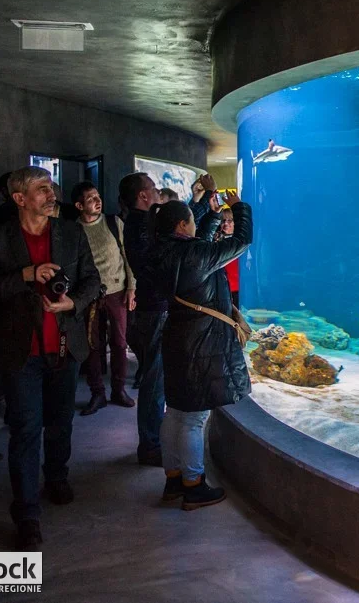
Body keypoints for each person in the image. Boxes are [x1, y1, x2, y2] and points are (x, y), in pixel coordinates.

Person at [0, 166, 100, 549]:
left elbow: (93, 281)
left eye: (51, 188)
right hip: (21, 352)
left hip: (65, 347)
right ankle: (27, 514)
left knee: (61, 421)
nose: (52, 195)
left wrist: (72, 302)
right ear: (19, 199)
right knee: (26, 429)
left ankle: (57, 475)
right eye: (42, 189)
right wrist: (26, 274)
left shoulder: (70, 232)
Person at [149, 193, 251, 510]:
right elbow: (242, 241)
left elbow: (200, 243)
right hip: (202, 342)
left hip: (176, 336)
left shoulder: (161, 251)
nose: (195, 226)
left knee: (175, 412)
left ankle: (173, 479)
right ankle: (194, 485)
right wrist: (239, 208)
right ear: (182, 225)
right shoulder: (195, 254)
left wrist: (213, 215)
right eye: (192, 221)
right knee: (195, 418)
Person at [72, 181, 136, 415]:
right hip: (88, 295)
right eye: (90, 198)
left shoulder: (113, 223)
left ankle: (118, 390)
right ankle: (97, 393)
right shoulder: (73, 230)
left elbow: (128, 256)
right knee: (92, 346)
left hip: (117, 291)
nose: (97, 201)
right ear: (79, 205)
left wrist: (132, 287)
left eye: (97, 196)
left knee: (119, 343)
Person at [118, 172, 165, 466]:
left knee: (155, 376)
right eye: (154, 188)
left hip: (152, 307)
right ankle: (150, 444)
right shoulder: (141, 225)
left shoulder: (139, 223)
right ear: (143, 196)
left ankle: (153, 440)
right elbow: (156, 263)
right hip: (155, 309)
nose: (158, 192)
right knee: (154, 379)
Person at [214, 204, 241, 309]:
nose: (225, 223)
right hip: (221, 289)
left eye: (230, 220)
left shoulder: (241, 241)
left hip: (238, 289)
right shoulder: (214, 240)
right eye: (223, 220)